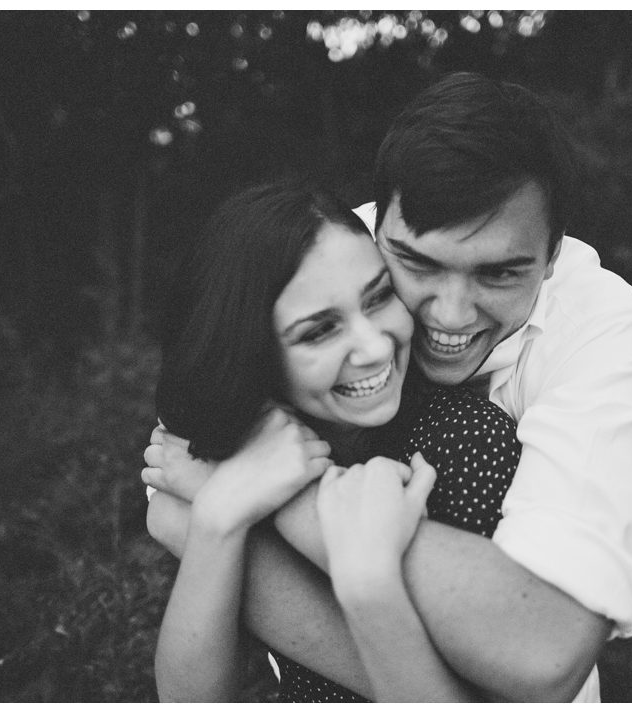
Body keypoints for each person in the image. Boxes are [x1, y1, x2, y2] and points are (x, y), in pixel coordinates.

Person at [144, 72, 632, 701]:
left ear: (551, 256)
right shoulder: (330, 254)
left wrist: (270, 499)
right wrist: (220, 514)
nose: (447, 315)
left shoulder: (577, 344)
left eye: (498, 274)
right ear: (380, 222)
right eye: (414, 265)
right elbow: (173, 499)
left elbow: (542, 650)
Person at [150, 181, 520, 702]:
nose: (373, 347)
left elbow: (485, 689)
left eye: (378, 298)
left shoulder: (465, 440)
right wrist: (218, 515)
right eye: (319, 331)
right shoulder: (246, 455)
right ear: (255, 355)